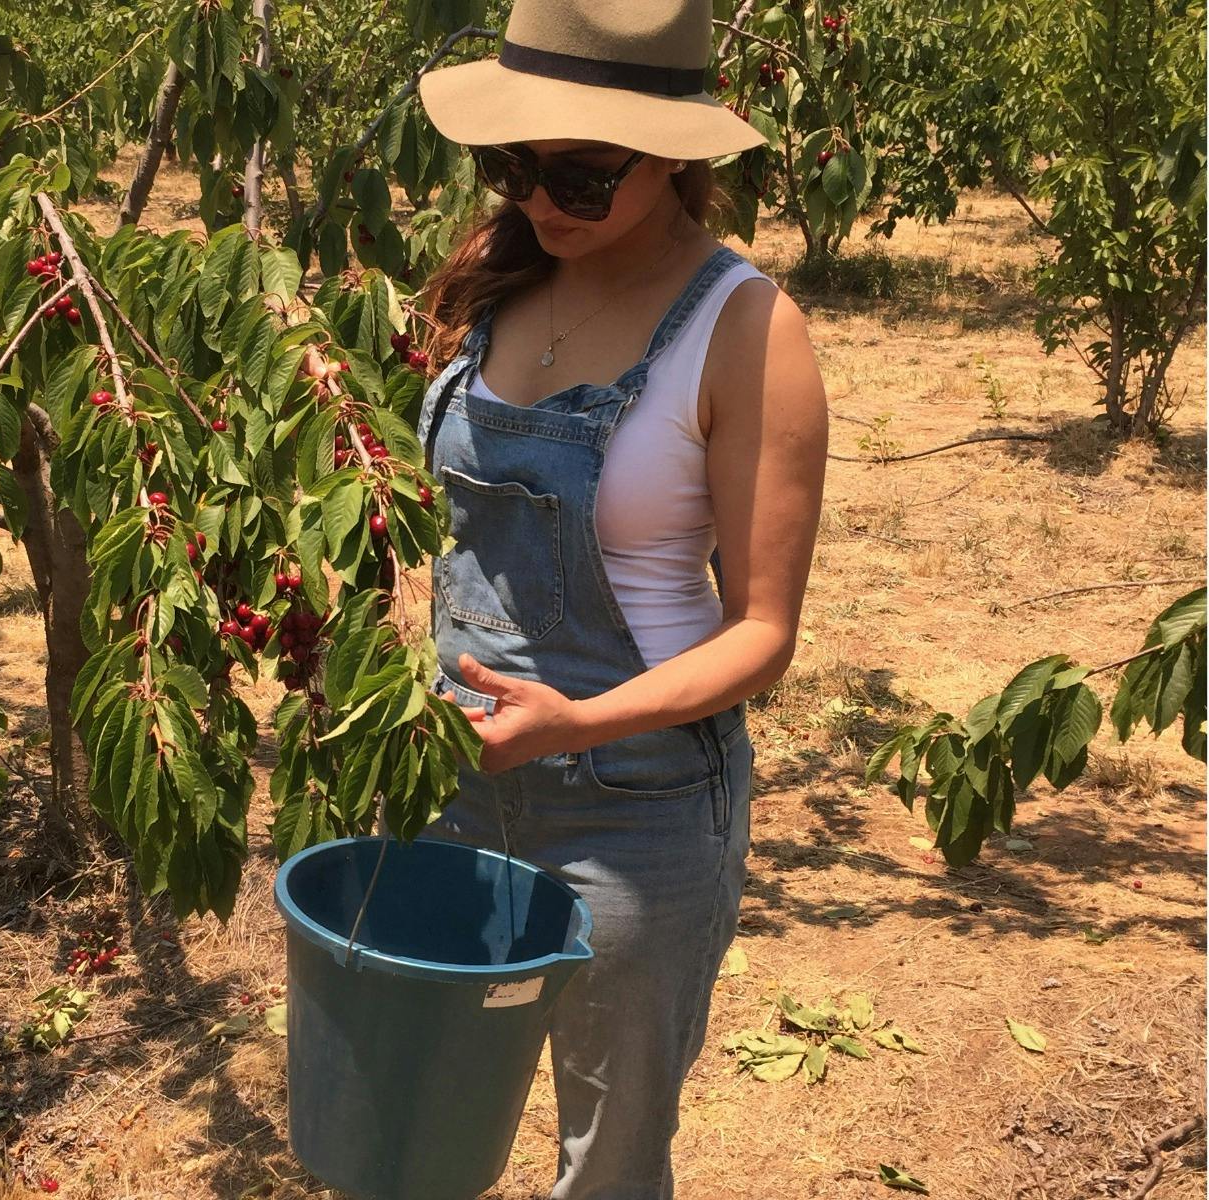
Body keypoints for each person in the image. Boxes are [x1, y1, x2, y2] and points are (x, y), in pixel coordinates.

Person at [411, 0, 829, 1195]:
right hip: (458, 776)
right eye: (513, 166)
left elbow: (762, 635)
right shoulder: (500, 286)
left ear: (677, 162)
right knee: (429, 1101)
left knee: (607, 1156)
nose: (540, 202)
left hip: (633, 805)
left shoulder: (745, 331)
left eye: (584, 178)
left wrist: (576, 723)